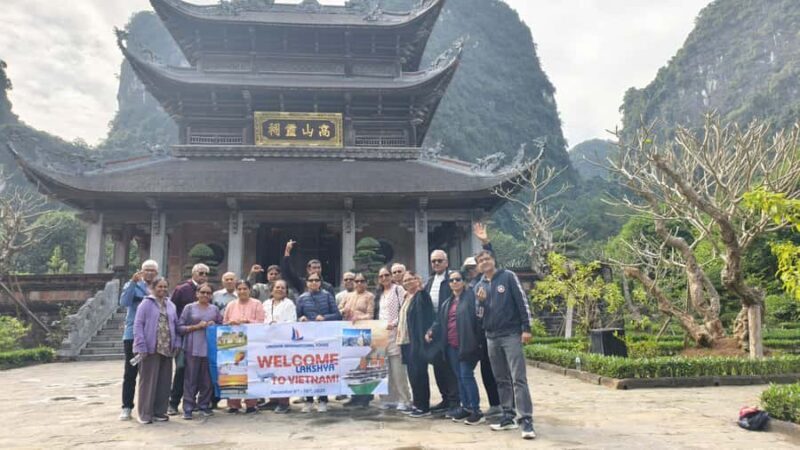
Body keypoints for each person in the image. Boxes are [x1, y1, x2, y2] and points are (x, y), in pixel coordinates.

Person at [474, 249, 536, 439]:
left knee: (518, 378)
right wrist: (481, 302)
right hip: (491, 337)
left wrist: (527, 328)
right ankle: (507, 415)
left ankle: (525, 419)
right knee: (501, 379)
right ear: (478, 266)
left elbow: (522, 301)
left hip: (511, 334)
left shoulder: (508, 277)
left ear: (494, 260)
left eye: (487, 258)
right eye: (481, 260)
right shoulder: (479, 285)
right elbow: (478, 316)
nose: (485, 262)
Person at [426, 271, 485, 425]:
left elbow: (479, 317)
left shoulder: (471, 298)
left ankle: (476, 410)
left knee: (466, 375)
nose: (454, 282)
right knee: (459, 377)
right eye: (451, 280)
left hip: (467, 344)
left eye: (458, 279)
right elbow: (439, 321)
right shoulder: (448, 302)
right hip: (451, 346)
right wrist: (431, 330)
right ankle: (465, 407)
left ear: (463, 282)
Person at [133, 277, 180, 425]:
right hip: (150, 347)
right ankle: (145, 413)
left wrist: (177, 343)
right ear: (153, 288)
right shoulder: (146, 304)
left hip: (167, 347)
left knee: (164, 382)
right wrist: (141, 345)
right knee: (148, 382)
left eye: (165, 287)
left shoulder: (171, 304)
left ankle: (160, 411)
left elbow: (176, 325)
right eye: (159, 287)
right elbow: (138, 325)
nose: (162, 289)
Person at [118, 260, 159, 421]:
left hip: (153, 336)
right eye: (146, 270)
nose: (149, 273)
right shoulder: (133, 285)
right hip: (133, 335)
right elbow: (124, 302)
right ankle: (127, 406)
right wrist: (132, 283)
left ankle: (150, 407)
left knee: (150, 373)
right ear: (141, 271)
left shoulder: (159, 287)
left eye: (152, 270)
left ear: (156, 272)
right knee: (130, 372)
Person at [469, 222, 502, 416]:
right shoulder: (474, 285)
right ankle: (495, 404)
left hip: (499, 331)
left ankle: (508, 406)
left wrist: (486, 243)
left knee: (502, 372)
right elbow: (477, 312)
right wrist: (480, 303)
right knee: (486, 370)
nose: (473, 269)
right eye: (473, 265)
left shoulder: (497, 278)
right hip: (482, 333)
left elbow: (493, 259)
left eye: (480, 263)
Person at [167, 263, 209, 415]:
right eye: (200, 273)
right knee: (181, 369)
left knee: (199, 372)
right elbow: (171, 311)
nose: (203, 276)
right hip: (183, 336)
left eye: (205, 273)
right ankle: (173, 402)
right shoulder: (181, 289)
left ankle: (194, 402)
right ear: (193, 273)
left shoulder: (207, 291)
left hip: (201, 340)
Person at [296, 274, 341, 413]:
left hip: (324, 338)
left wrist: (325, 317)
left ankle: (323, 399)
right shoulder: (302, 298)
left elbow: (338, 315)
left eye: (317, 280)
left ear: (320, 282)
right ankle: (309, 401)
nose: (314, 282)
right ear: (307, 282)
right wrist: (300, 318)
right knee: (308, 370)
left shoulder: (327, 295)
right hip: (307, 339)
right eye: (311, 280)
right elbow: (296, 317)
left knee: (323, 369)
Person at [178, 282, 222, 420]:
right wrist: (196, 326)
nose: (205, 295)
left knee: (207, 380)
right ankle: (188, 408)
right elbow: (179, 327)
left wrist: (214, 325)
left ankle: (204, 405)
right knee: (190, 379)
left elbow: (222, 325)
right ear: (197, 294)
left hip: (210, 348)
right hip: (192, 347)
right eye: (202, 292)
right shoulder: (189, 308)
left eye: (208, 293)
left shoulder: (214, 309)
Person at [423, 249, 460, 415]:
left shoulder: (452, 279)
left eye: (439, 261)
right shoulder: (430, 282)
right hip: (434, 329)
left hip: (449, 328)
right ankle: (445, 399)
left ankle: (455, 402)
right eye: (433, 261)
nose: (436, 264)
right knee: (438, 365)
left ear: (446, 262)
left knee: (450, 367)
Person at [222, 280, 266, 414]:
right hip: (234, 343)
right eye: (239, 289)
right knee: (234, 371)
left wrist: (248, 322)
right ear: (236, 291)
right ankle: (234, 404)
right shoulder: (231, 304)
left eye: (244, 289)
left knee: (251, 372)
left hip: (253, 342)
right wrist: (231, 322)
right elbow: (224, 322)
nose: (242, 291)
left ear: (250, 290)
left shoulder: (257, 304)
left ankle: (251, 404)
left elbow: (261, 322)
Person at [398, 271, 434, 418]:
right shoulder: (407, 297)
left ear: (417, 280)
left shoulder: (421, 296)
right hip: (406, 341)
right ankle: (416, 403)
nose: (407, 282)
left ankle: (423, 406)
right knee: (412, 374)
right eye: (405, 280)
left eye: (410, 279)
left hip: (416, 341)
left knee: (419, 373)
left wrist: (421, 339)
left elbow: (425, 319)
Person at [375, 266, 411, 412]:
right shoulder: (379, 293)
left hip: (396, 334)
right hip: (381, 335)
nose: (384, 278)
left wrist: (394, 323)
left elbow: (404, 309)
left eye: (386, 275)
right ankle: (388, 399)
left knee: (398, 370)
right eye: (381, 276)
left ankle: (404, 399)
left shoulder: (398, 290)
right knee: (385, 370)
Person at [339, 273, 375, 407]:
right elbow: (339, 309)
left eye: (362, 281)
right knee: (351, 364)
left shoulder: (369, 296)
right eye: (357, 281)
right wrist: (344, 311)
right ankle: (354, 395)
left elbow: (371, 315)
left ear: (366, 283)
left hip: (363, 332)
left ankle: (364, 397)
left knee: (363, 364)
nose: (359, 283)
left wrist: (359, 317)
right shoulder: (347, 296)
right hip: (349, 332)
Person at [262, 280, 297, 414]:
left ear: (286, 291)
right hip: (267, 342)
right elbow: (262, 319)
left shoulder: (289, 304)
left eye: (283, 288)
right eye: (277, 287)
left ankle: (284, 402)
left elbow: (292, 321)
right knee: (270, 371)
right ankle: (273, 400)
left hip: (283, 342)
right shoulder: (265, 304)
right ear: (272, 289)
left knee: (283, 372)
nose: (280, 290)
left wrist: (278, 324)